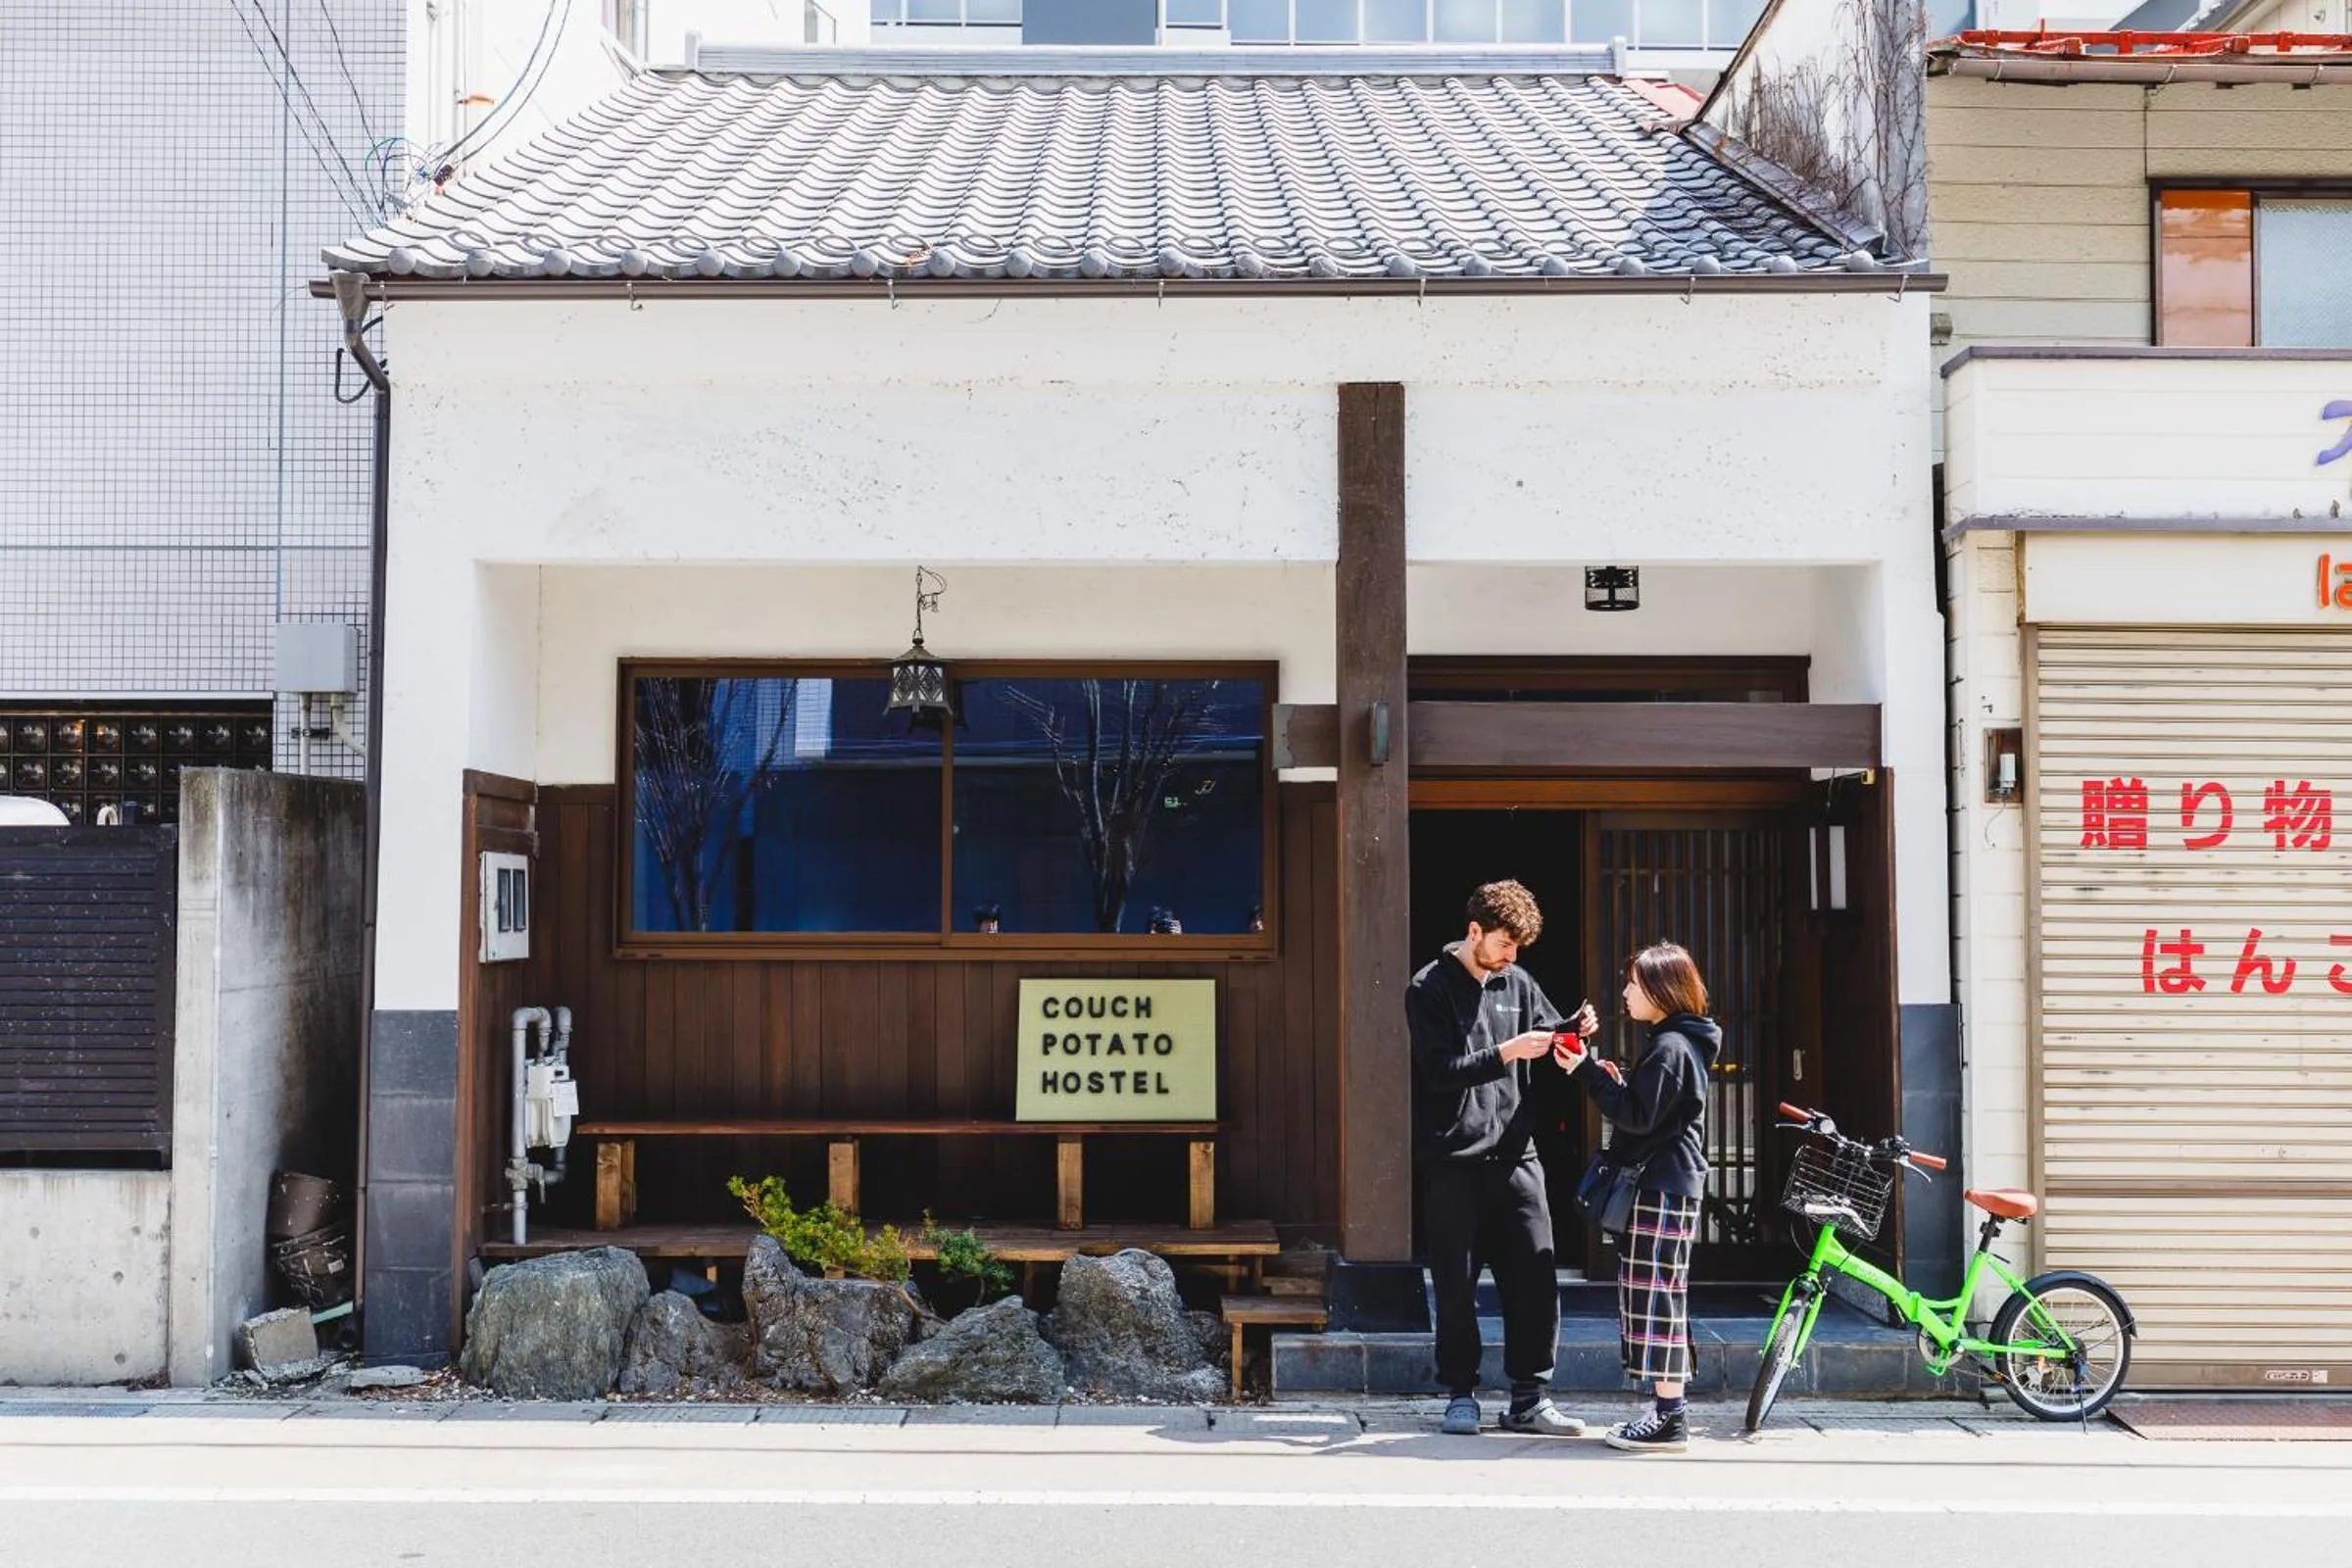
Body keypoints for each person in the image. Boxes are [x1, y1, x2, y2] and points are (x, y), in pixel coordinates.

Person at [1407, 879, 1598, 1438]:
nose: (1511, 957)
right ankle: (1460, 1394)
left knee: (1535, 1275)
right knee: (1456, 1281)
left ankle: (1530, 1397)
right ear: (1475, 932)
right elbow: (1438, 1072)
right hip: (1453, 1158)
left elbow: (1551, 1033)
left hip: (1518, 1155)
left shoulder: (1517, 981)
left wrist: (1573, 1031)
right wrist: (1505, 1053)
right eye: (1505, 944)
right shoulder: (1428, 987)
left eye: (1518, 947)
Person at [1553, 942, 1722, 1455]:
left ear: (1659, 990)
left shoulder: (1671, 1046)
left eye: (1632, 984)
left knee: (1657, 1296)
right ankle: (1665, 1410)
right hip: (1669, 1182)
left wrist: (1584, 1070)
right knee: (1657, 1294)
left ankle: (1670, 1416)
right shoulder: (1678, 1043)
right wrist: (1611, 1079)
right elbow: (1650, 1108)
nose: (1624, 993)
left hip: (1662, 1185)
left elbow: (1636, 1117)